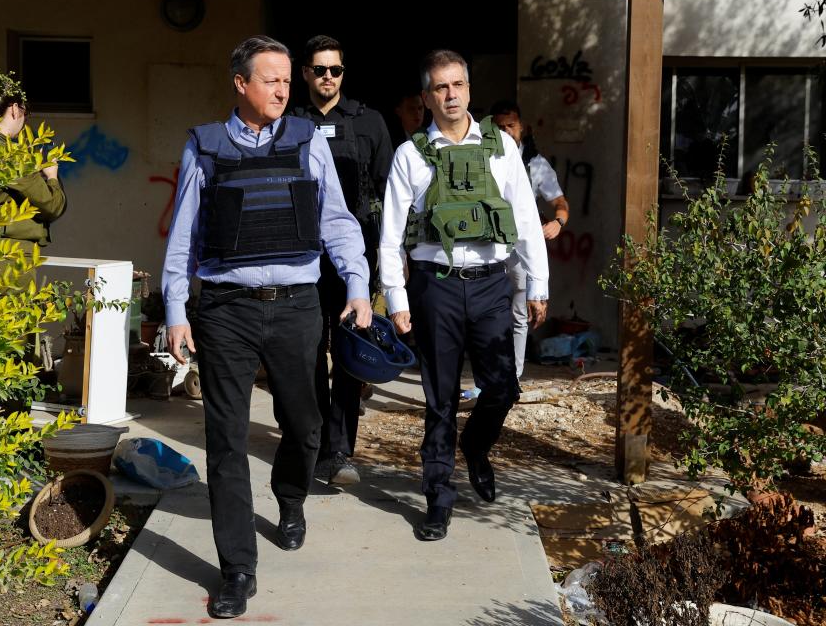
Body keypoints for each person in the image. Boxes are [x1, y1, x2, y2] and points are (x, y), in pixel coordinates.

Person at [162, 35, 372, 619]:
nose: (283, 89)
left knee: (306, 423)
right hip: (226, 309)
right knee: (225, 438)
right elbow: (182, 235)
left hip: (299, 305)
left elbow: (337, 219)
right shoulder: (203, 146)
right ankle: (237, 569)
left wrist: (357, 284)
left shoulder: (307, 141)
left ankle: (291, 495)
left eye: (287, 79)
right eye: (271, 79)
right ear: (241, 84)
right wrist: (176, 311)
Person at [379, 50, 549, 541]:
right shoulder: (410, 154)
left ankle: (476, 447)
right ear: (426, 97)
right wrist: (398, 299)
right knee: (439, 399)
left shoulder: (502, 147)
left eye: (457, 85)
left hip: (494, 284)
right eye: (440, 88)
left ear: (469, 90)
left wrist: (538, 283)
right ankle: (438, 496)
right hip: (436, 287)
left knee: (503, 387)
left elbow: (525, 222)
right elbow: (390, 236)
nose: (450, 95)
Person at [293, 35, 393, 486]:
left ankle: (341, 449)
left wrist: (393, 258)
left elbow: (393, 194)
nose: (327, 77)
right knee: (309, 354)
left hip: (355, 260)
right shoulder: (289, 122)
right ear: (306, 74)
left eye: (335, 70)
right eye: (319, 69)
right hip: (303, 260)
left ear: (342, 75)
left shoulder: (370, 122)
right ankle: (312, 444)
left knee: (350, 356)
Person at [491, 100, 570, 378]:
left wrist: (557, 223)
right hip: (489, 248)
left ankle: (513, 378)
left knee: (518, 316)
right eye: (500, 127)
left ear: (522, 128)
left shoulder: (535, 164)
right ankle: (491, 377)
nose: (506, 131)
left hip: (520, 248)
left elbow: (560, 203)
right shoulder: (485, 158)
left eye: (510, 126)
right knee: (488, 315)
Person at [0, 95, 66, 246]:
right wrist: (51, 176)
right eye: (26, 112)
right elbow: (53, 206)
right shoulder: (10, 157)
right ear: (15, 109)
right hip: (6, 252)